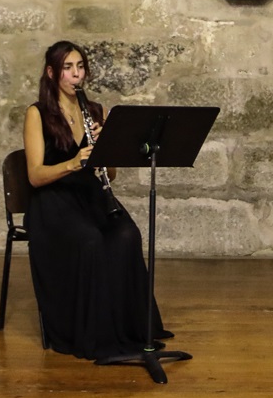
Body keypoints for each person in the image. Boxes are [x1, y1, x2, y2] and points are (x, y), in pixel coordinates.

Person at [23, 41, 168, 360]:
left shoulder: (94, 110)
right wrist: (74, 162)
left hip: (90, 197)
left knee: (127, 234)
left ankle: (128, 329)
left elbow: (110, 174)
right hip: (53, 202)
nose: (76, 75)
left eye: (80, 67)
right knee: (90, 240)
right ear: (51, 73)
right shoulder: (37, 114)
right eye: (67, 68)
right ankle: (93, 334)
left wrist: (106, 149)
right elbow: (35, 175)